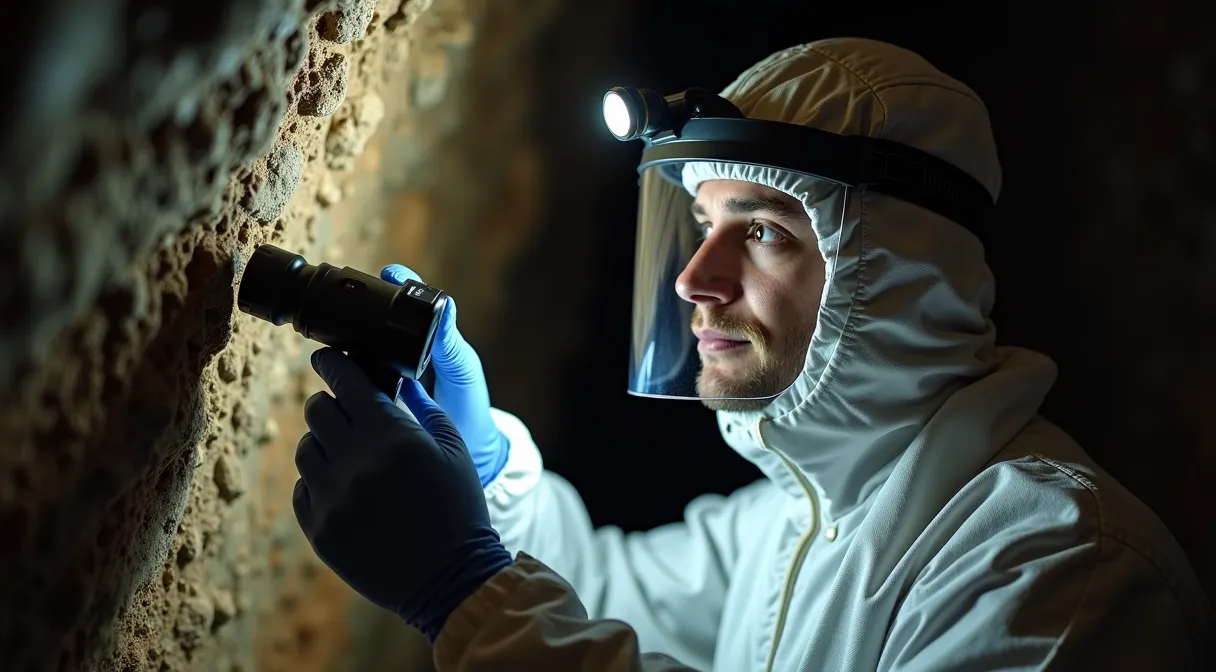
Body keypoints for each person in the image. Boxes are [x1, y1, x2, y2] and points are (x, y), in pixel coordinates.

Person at [289, 37, 1215, 670]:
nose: (694, 277)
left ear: (896, 268)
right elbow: (603, 596)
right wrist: (488, 476)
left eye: (764, 231)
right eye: (700, 223)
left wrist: (465, 590)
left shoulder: (1058, 570)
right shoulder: (790, 524)